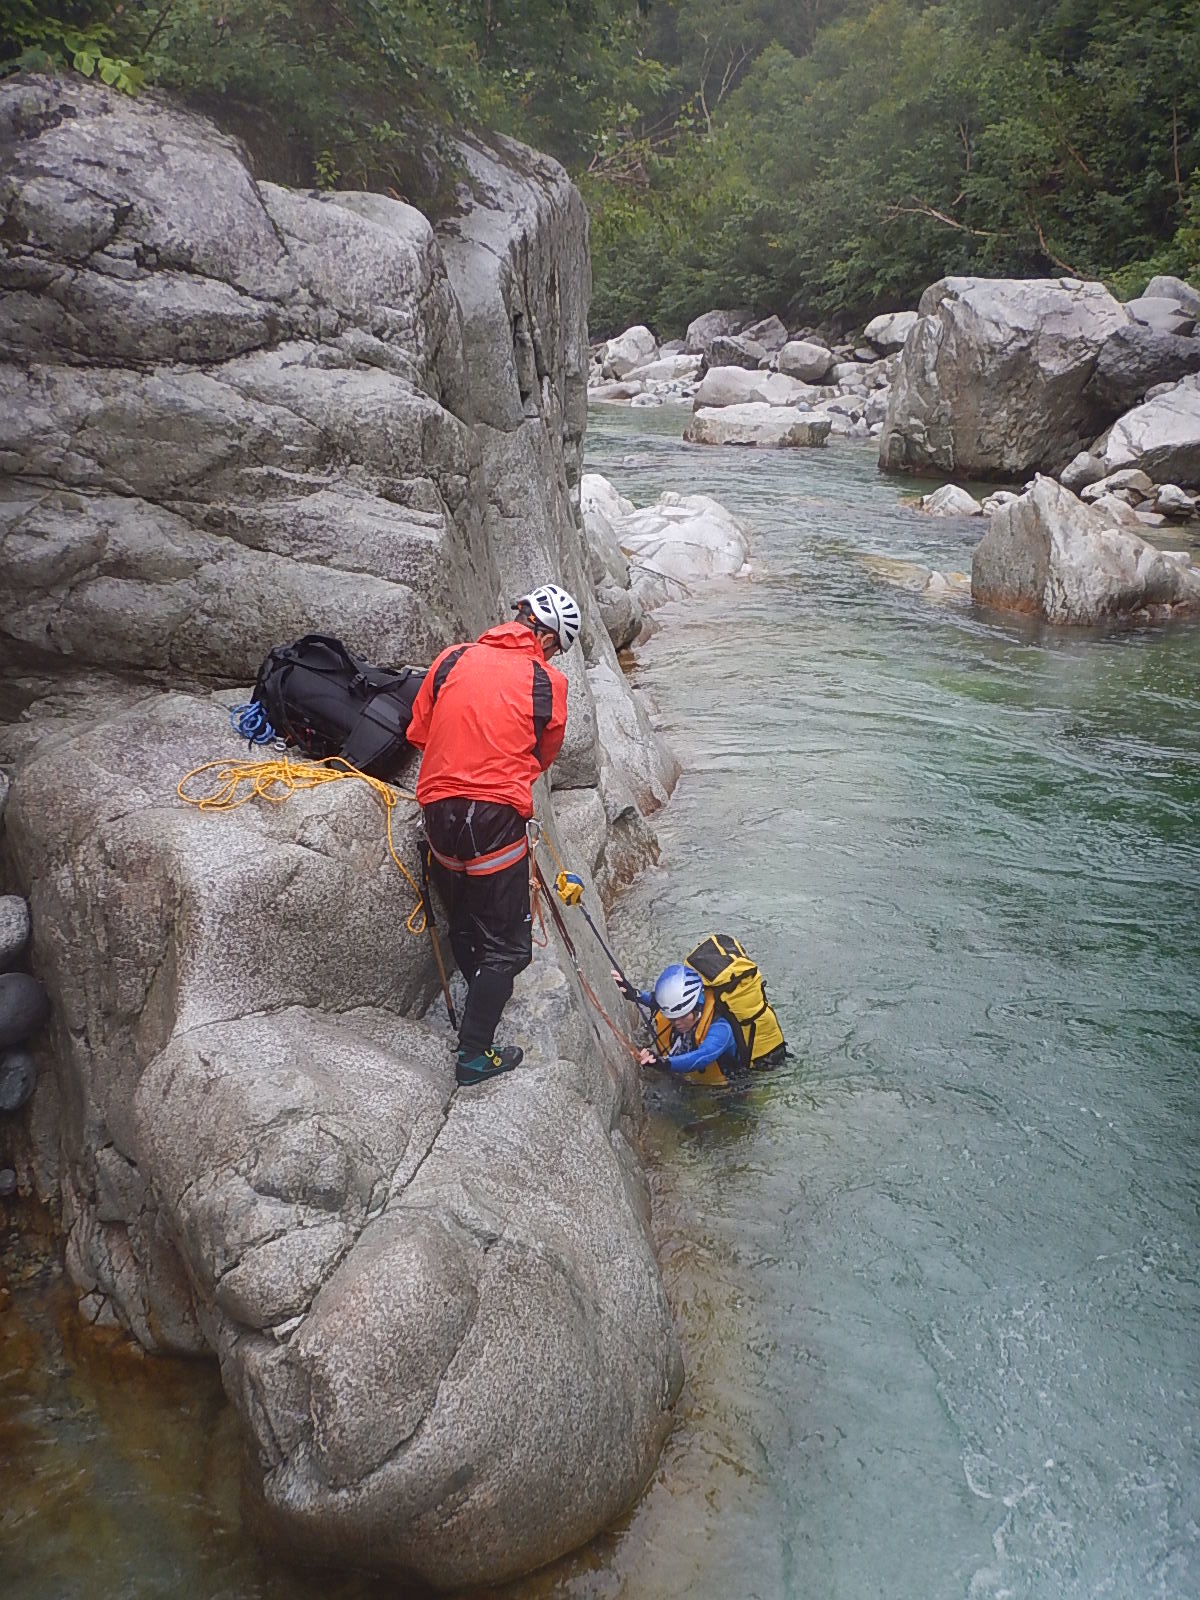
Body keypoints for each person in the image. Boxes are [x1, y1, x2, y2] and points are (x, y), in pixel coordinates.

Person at [406, 584, 582, 1086]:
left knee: (463, 914)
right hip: (493, 820)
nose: (553, 654)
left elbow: (419, 731)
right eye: (556, 646)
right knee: (510, 947)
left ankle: (476, 996)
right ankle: (474, 1054)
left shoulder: (452, 657)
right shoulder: (546, 682)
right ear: (546, 637)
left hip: (438, 813)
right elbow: (540, 758)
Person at [614, 952, 787, 1086]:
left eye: (681, 1018)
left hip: (735, 1084)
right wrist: (634, 994)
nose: (677, 1023)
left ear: (696, 1008)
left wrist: (663, 1063)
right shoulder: (684, 1007)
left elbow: (702, 1057)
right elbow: (656, 1002)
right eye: (672, 1019)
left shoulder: (721, 1030)